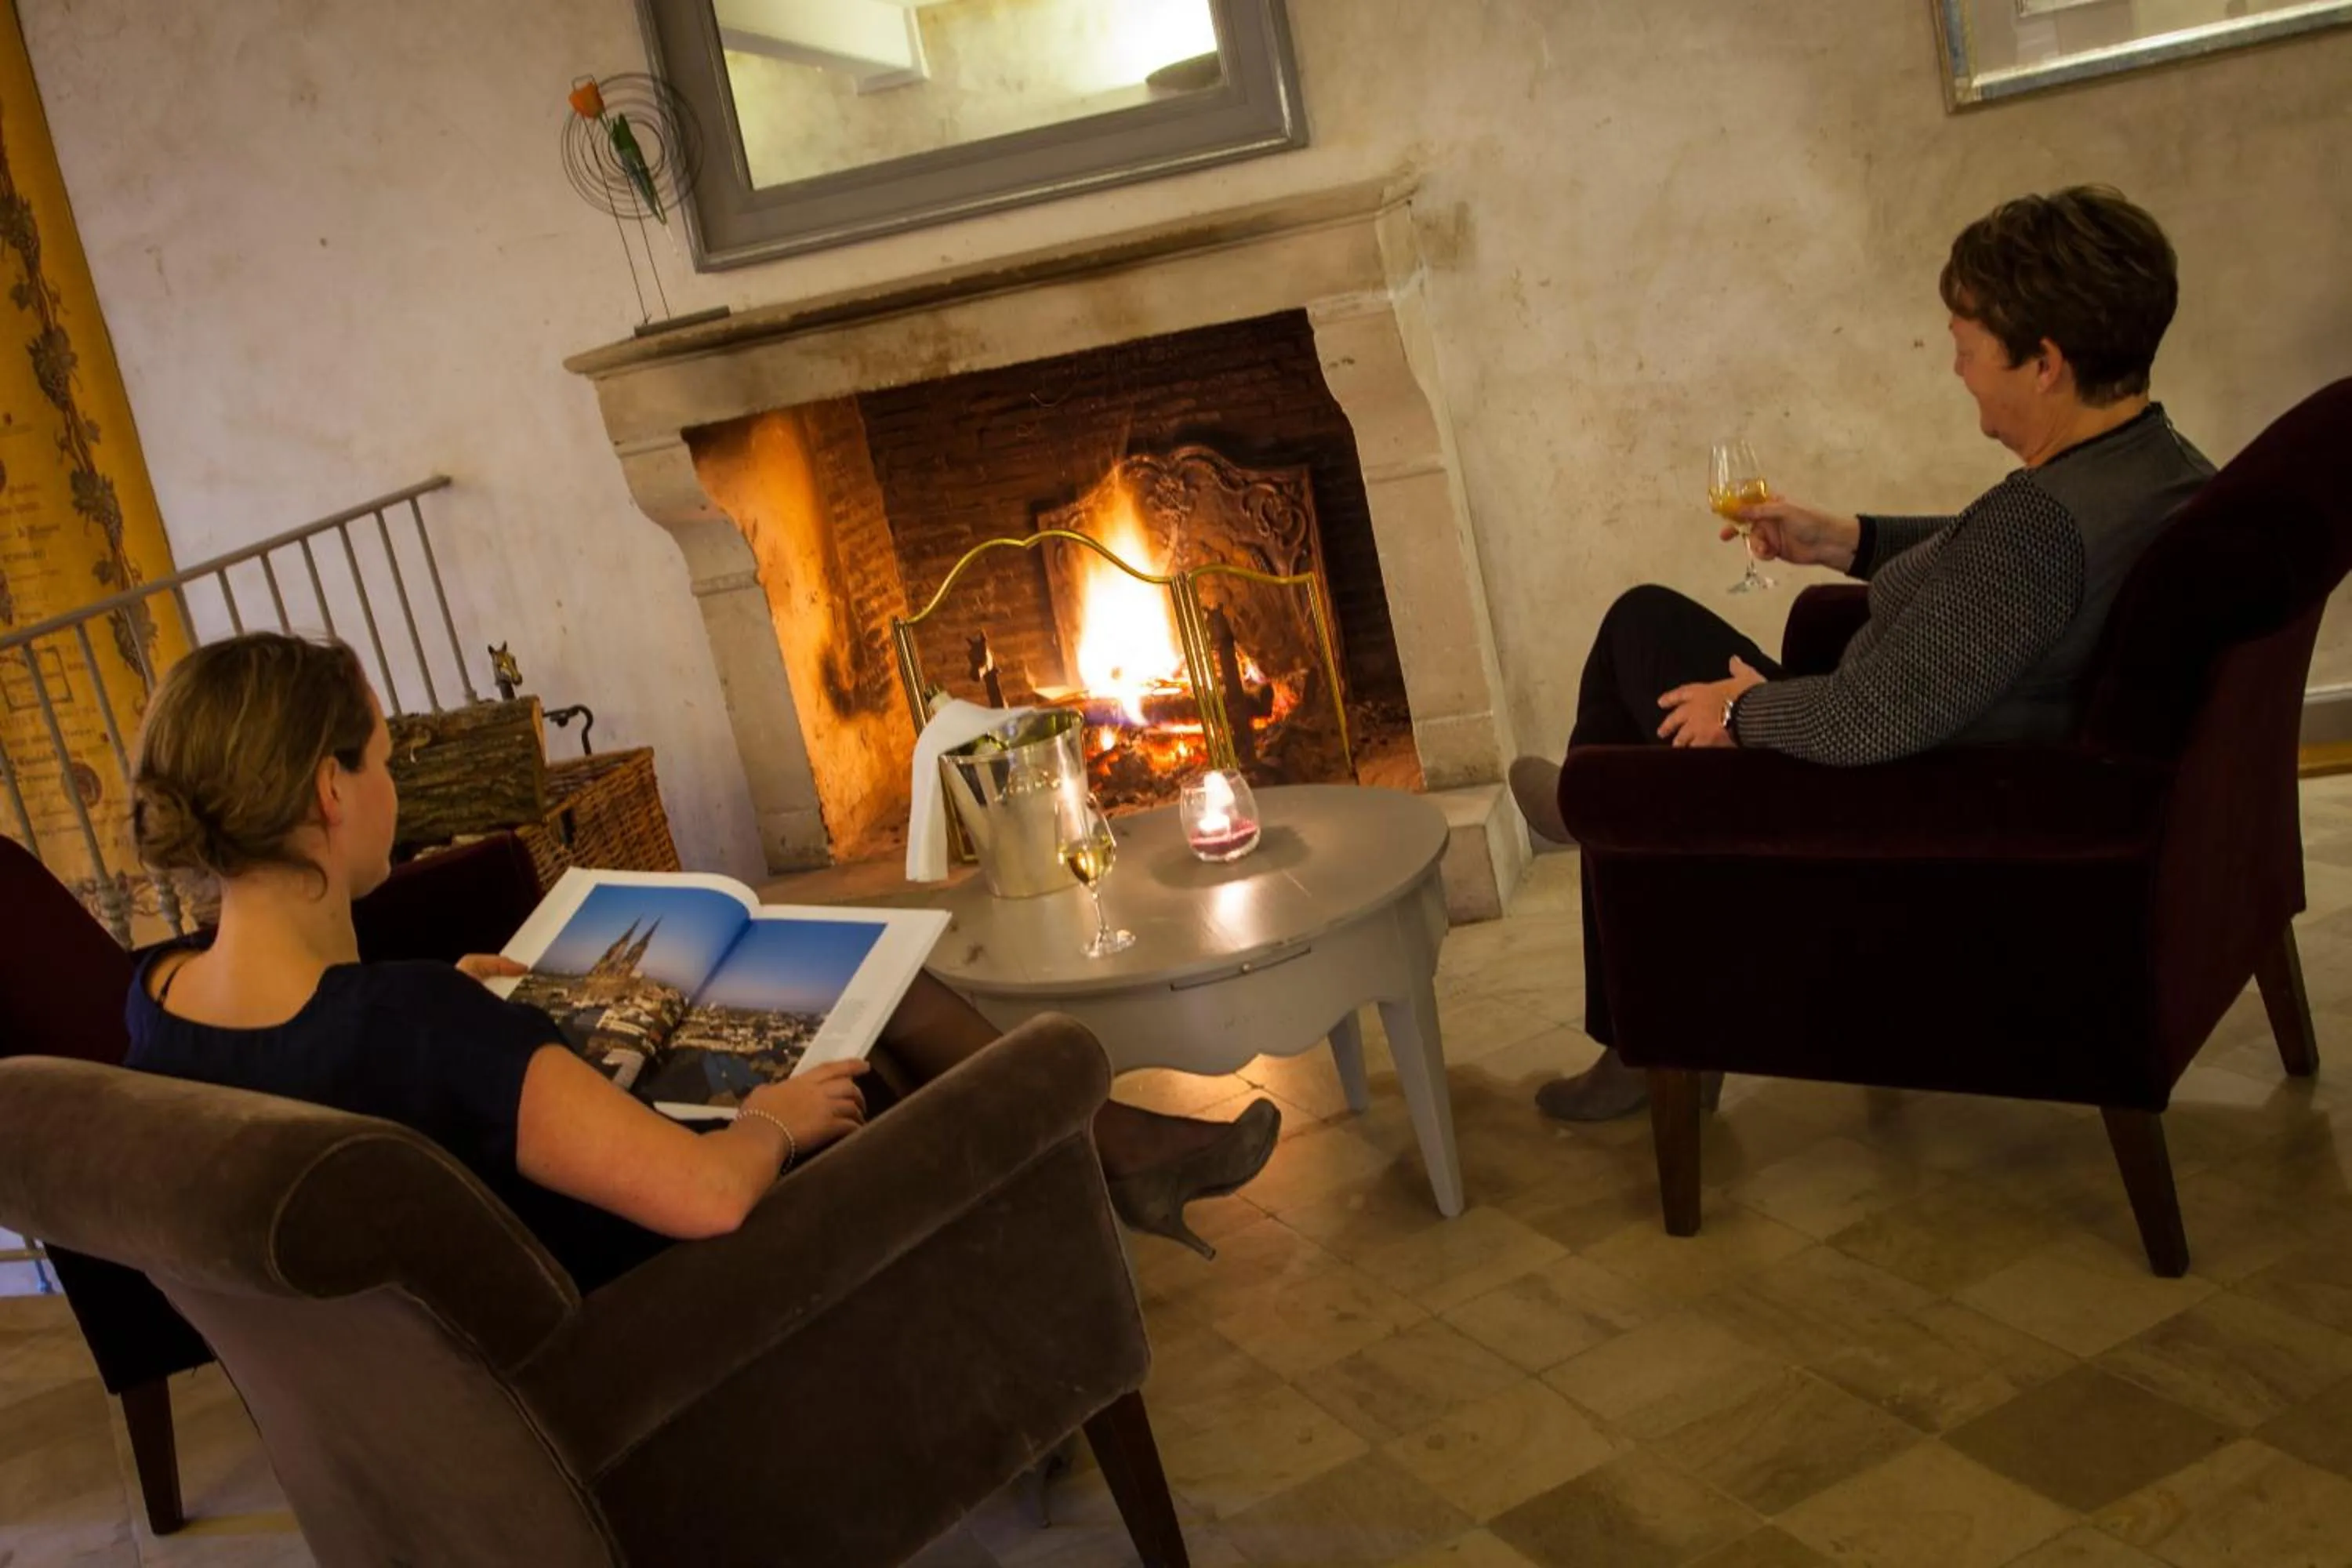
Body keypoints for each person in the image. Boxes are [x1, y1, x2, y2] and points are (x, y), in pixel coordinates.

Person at [125, 633, 1278, 1284]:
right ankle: (1098, 1163)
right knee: (890, 1059)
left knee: (868, 991)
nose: (393, 787)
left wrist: (472, 1015)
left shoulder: (159, 1003)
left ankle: (1118, 1154)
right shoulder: (413, 1023)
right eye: (381, 762)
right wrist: (774, 1119)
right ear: (329, 791)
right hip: (662, 1299)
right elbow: (710, 1199)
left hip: (497, 1299)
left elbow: (356, 1062)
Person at [1510, 185, 2213, 1121]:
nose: (1955, 366)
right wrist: (1842, 538)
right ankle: (1597, 815)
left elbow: (1869, 717)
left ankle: (1616, 905)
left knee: (1640, 657)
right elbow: (1981, 567)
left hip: (1884, 802)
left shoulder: (2042, 531)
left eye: (1967, 347)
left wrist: (1745, 713)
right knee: (1644, 637)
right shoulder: (2154, 467)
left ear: (2045, 362)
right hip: (1926, 737)